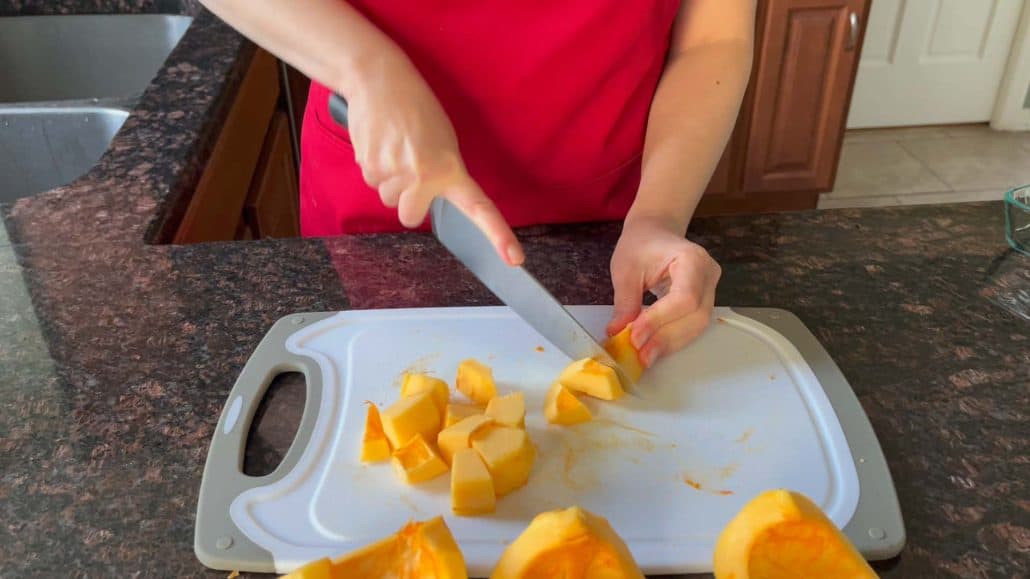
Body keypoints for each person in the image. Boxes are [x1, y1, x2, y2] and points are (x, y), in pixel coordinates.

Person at [199, 0, 755, 367]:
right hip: (387, 202)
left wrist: (658, 215)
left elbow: (713, 40)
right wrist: (366, 69)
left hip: (614, 221)